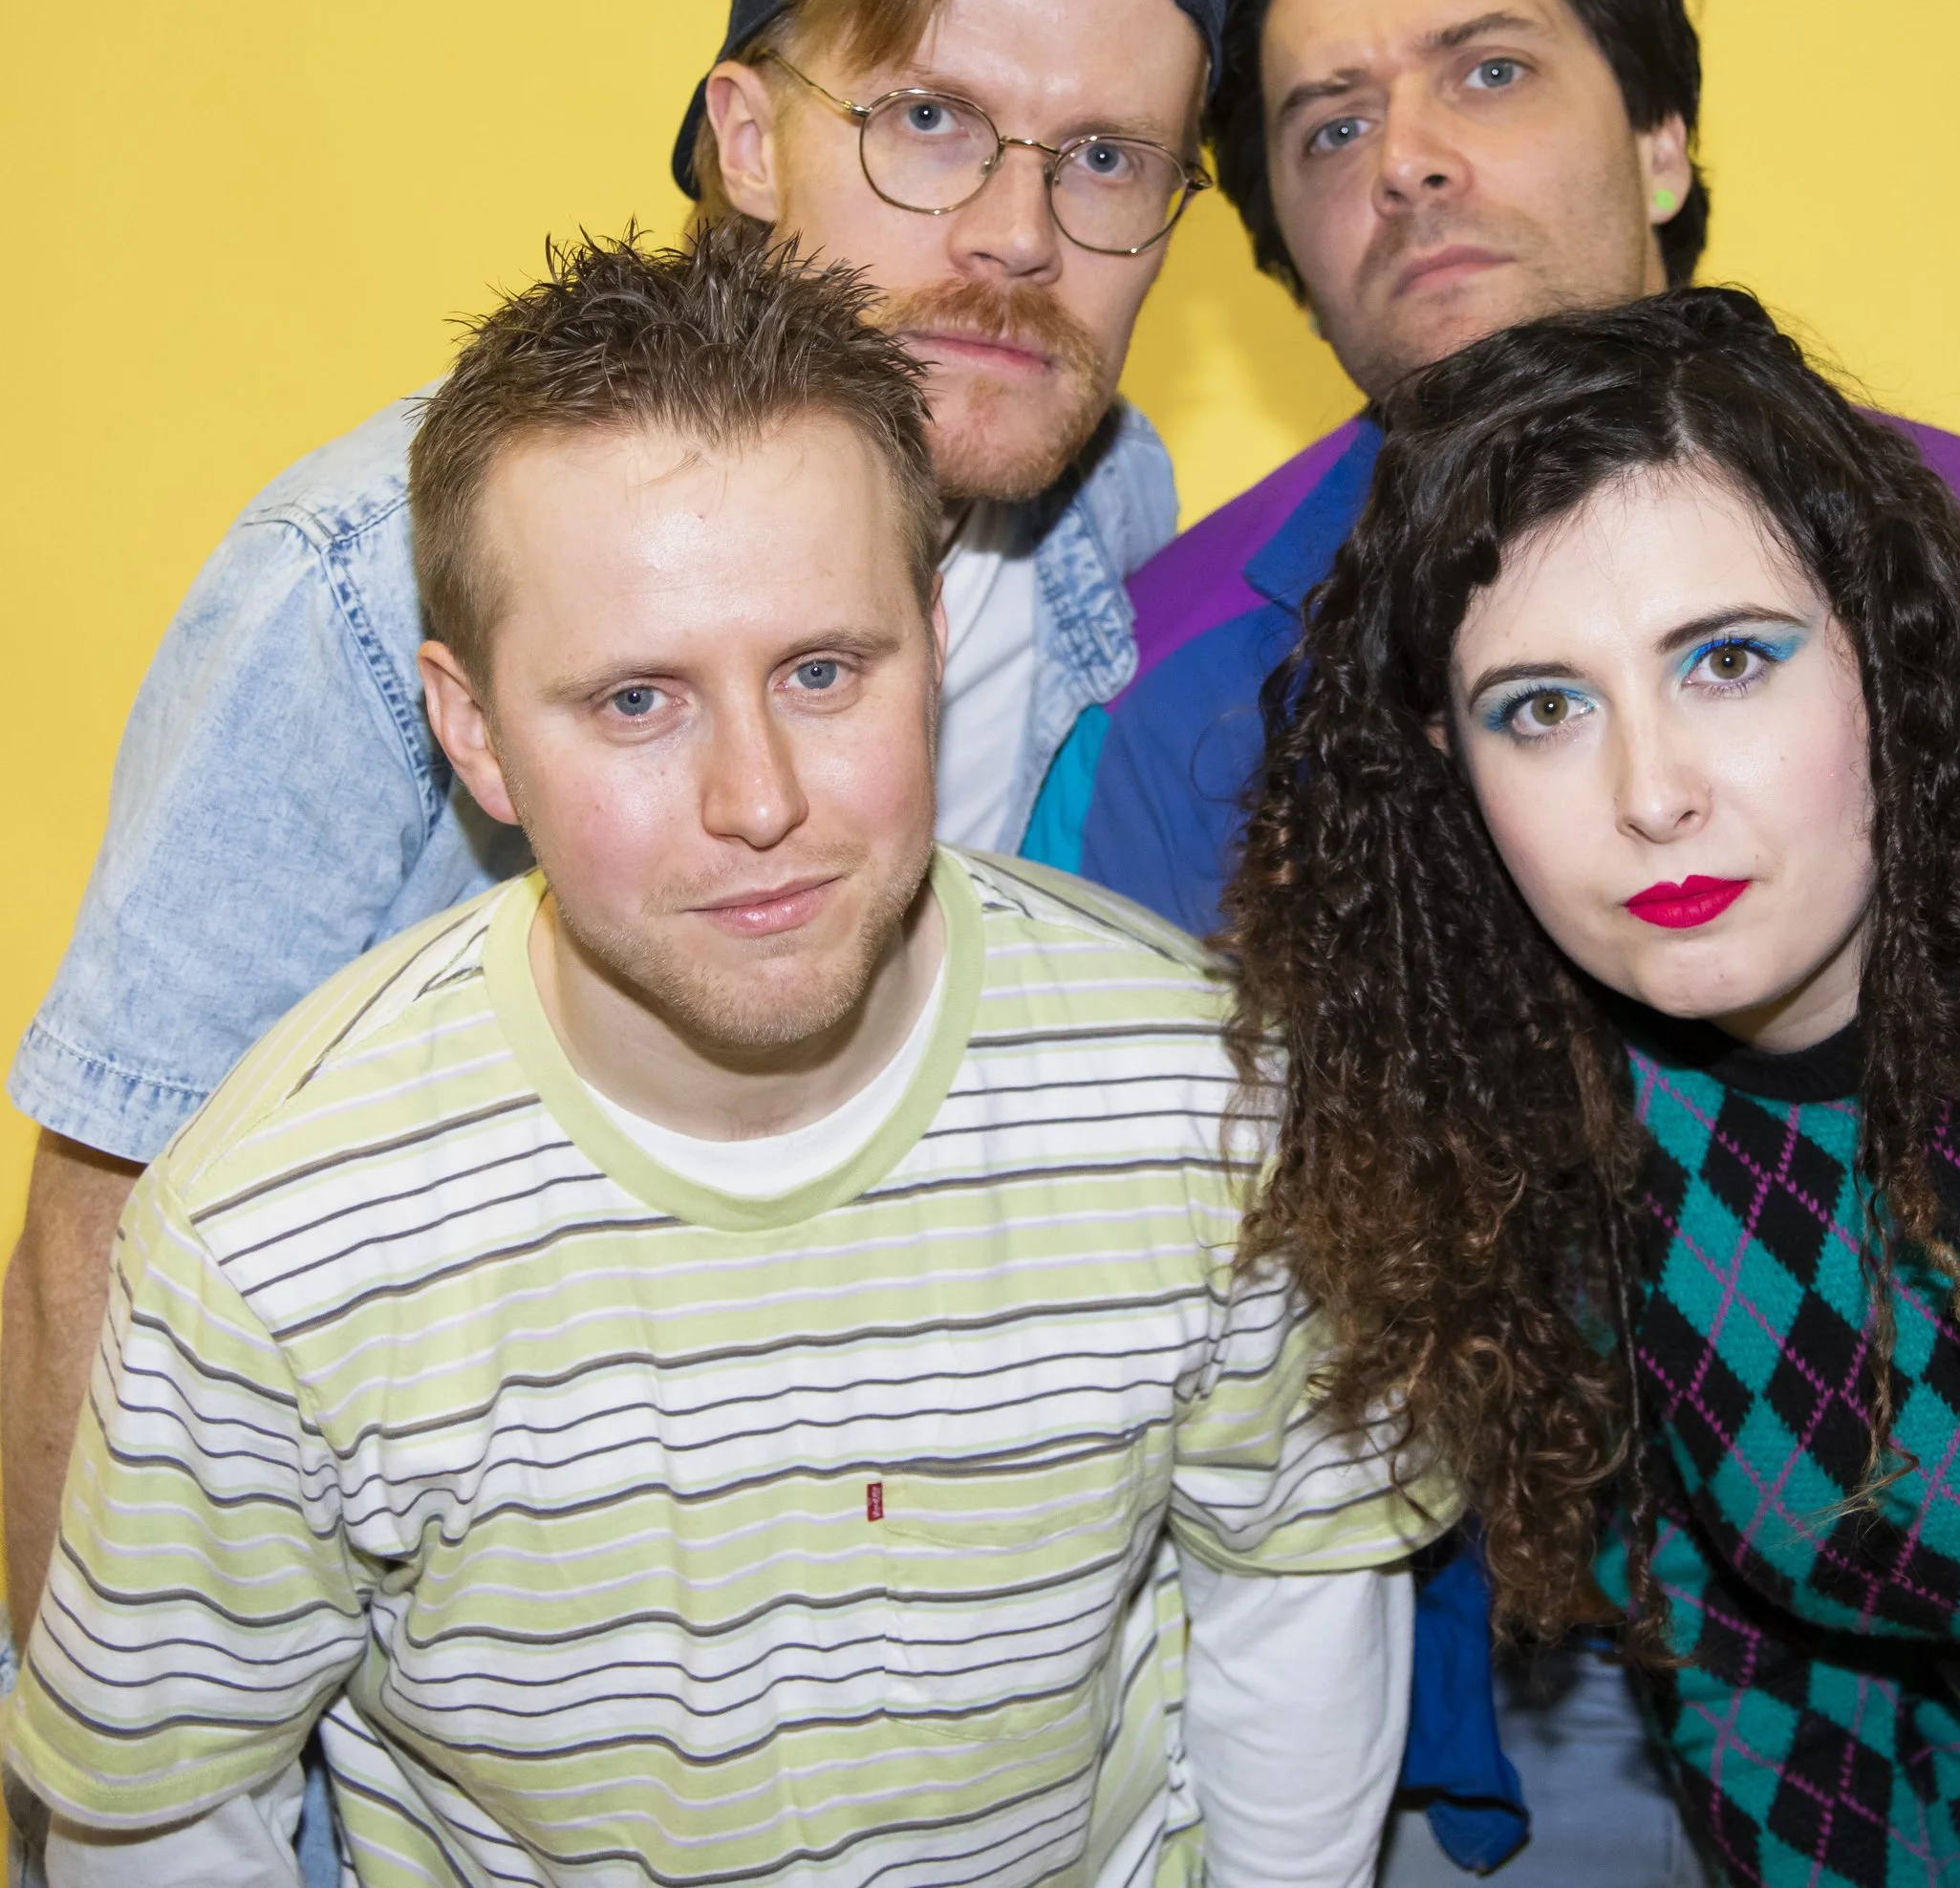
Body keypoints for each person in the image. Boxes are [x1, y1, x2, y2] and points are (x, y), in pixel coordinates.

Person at [7, 228, 1442, 1888]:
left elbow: (1293, 1595)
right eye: (635, 703)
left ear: (932, 637)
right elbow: (166, 1810)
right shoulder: (267, 1234)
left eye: (824, 671)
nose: (758, 799)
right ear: (470, 729)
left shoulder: (1208, 1093)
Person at [1017, 0, 1960, 1882]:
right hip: (1507, 1706)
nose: (1409, 159)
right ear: (1275, 238)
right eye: (1325, 121)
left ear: (1656, 140)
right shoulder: (1177, 694)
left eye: (1483, 72)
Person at [4, 0, 1222, 1660]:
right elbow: (104, 1258)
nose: (1017, 238)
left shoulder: (1097, 503)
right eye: (925, 123)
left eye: (1108, 161)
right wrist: (102, 1789)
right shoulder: (359, 587)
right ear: (743, 137)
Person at [1224, 284, 1960, 1887]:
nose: (1650, 794)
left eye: (1727, 660)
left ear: (1884, 645)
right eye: (1543, 709)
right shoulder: (1561, 1132)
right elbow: (1755, 1694)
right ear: (1449, 764)